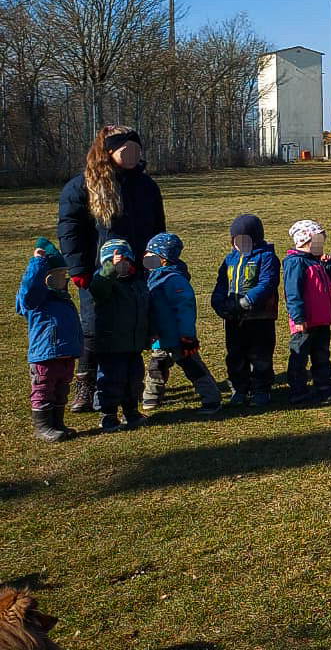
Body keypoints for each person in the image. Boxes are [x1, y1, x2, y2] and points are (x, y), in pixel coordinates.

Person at [57, 125, 165, 414]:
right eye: (125, 149)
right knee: (94, 329)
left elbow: (157, 227)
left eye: (137, 149)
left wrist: (156, 258)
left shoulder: (146, 186)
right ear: (108, 152)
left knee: (132, 326)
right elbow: (71, 230)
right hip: (98, 273)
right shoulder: (83, 186)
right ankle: (87, 384)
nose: (133, 154)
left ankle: (132, 386)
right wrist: (79, 267)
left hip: (137, 270)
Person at [141, 232, 221, 414]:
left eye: (150, 254)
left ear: (163, 259)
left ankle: (211, 399)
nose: (145, 257)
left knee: (193, 368)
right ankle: (151, 396)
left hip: (178, 337)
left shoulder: (174, 280)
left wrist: (188, 336)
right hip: (159, 337)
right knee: (157, 366)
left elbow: (185, 310)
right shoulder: (152, 277)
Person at [16, 238, 82, 441]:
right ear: (46, 277)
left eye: (64, 275)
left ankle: (57, 422)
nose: (63, 279)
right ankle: (42, 426)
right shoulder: (36, 301)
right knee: (44, 388)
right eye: (58, 275)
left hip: (66, 353)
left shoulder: (62, 299)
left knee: (61, 387)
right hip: (45, 355)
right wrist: (37, 264)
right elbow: (28, 291)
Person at [211, 214, 280, 407]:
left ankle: (261, 389)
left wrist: (247, 301)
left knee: (261, 355)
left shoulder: (266, 257)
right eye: (236, 240)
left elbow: (268, 283)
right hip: (234, 318)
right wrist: (218, 303)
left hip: (259, 317)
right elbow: (221, 283)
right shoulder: (230, 259)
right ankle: (239, 388)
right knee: (235, 354)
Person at [88, 238, 148, 431]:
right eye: (117, 264)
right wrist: (110, 268)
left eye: (125, 262)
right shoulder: (104, 282)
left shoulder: (137, 283)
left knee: (134, 379)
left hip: (133, 344)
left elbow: (146, 310)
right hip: (111, 344)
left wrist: (150, 332)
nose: (122, 267)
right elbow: (98, 287)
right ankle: (108, 415)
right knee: (111, 380)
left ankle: (131, 411)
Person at [282, 220, 331, 404]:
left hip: (321, 320)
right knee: (300, 355)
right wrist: (298, 317)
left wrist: (330, 265)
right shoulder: (296, 263)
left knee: (321, 354)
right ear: (305, 241)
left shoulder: (318, 262)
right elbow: (293, 292)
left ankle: (323, 384)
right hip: (305, 321)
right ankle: (298, 389)